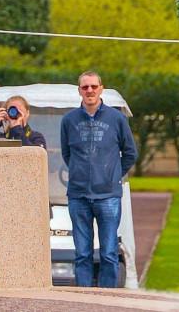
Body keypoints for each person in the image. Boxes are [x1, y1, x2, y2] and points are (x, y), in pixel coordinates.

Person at [60, 70, 137, 288]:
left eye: (94, 86)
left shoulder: (117, 119)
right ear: (79, 91)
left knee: (109, 253)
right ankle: (85, 301)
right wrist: (79, 173)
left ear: (101, 88)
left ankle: (108, 301)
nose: (90, 91)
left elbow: (130, 152)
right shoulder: (68, 121)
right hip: (78, 196)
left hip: (108, 197)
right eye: (85, 87)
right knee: (82, 253)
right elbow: (67, 154)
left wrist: (112, 175)